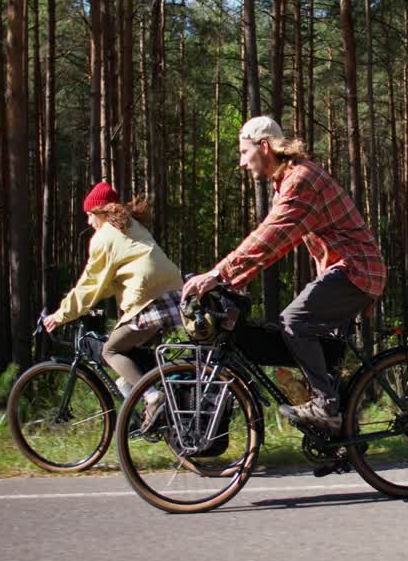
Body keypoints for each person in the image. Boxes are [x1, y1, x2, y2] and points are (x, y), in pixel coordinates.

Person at [183, 116, 386, 433]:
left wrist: (219, 274)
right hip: (346, 270)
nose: (241, 162)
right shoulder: (288, 181)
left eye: (243, 152)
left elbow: (270, 238)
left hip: (357, 270)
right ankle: (341, 441)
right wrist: (235, 281)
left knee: (294, 321)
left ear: (263, 147)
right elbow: (274, 245)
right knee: (325, 358)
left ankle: (326, 409)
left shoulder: (300, 181)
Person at [45, 182, 183, 407]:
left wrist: (60, 315)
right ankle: (158, 416)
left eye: (90, 215)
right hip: (173, 293)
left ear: (100, 212)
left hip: (148, 300)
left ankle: (152, 397)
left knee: (110, 350)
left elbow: (90, 284)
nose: (89, 222)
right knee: (127, 375)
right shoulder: (131, 225)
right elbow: (107, 283)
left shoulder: (104, 237)